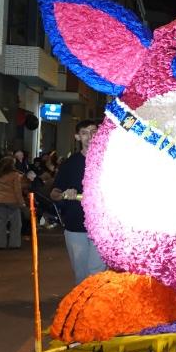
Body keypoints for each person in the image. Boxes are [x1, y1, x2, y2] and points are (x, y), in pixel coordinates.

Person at [51, 120, 106, 283]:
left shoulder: (110, 161)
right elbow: (54, 193)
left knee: (97, 274)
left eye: (94, 131)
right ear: (77, 137)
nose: (90, 136)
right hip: (75, 226)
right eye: (84, 133)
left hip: (102, 227)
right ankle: (82, 306)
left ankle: (94, 307)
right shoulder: (69, 164)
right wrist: (64, 194)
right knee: (81, 275)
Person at [0, 156, 25, 249]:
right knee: (16, 223)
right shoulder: (15, 175)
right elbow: (17, 190)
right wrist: (21, 202)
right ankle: (14, 244)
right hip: (12, 201)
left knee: (1, 223)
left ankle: (1, 244)